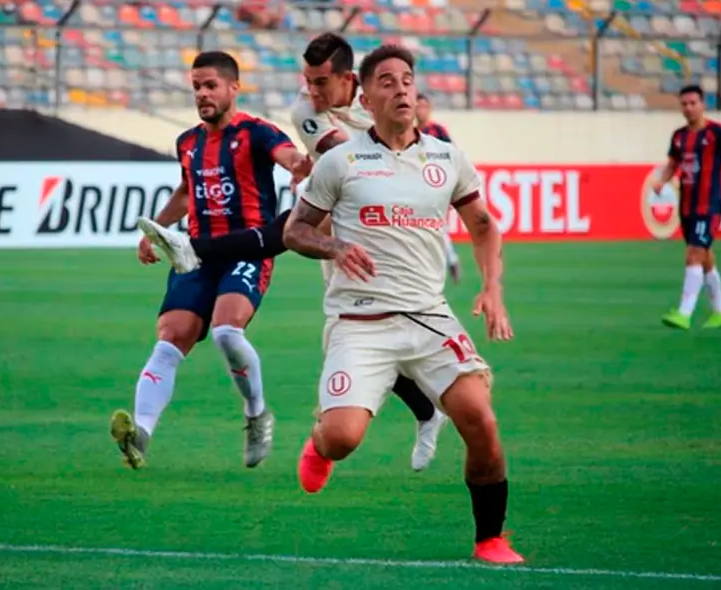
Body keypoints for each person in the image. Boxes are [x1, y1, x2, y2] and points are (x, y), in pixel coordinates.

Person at [138, 33, 449, 473]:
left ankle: (428, 410)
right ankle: (427, 411)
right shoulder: (305, 110)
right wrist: (302, 173)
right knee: (359, 325)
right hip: (342, 222)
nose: (312, 92)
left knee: (379, 324)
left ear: (349, 81)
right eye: (307, 80)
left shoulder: (380, 100)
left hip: (392, 227)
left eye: (321, 82)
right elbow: (342, 161)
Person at [282, 44, 524, 565]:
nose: (400, 89)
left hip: (428, 316)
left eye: (407, 79)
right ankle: (319, 439)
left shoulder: (446, 157)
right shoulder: (340, 161)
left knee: (480, 419)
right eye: (387, 82)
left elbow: (483, 225)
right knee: (344, 439)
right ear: (365, 99)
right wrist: (333, 246)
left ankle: (490, 539)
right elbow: (295, 230)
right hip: (360, 321)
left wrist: (492, 287)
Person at [110, 51, 311, 470]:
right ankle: (141, 434)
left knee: (225, 330)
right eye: (196, 87)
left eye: (210, 86)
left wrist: (300, 166)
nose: (202, 94)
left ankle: (257, 414)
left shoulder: (257, 133)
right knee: (170, 336)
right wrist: (157, 230)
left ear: (233, 88)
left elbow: (288, 157)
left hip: (247, 251)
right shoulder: (188, 141)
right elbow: (186, 191)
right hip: (195, 256)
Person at [652, 84, 721, 330]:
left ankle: (684, 313)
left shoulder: (718, 132)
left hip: (708, 205)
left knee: (693, 254)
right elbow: (673, 164)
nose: (688, 108)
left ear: (702, 105)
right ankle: (720, 311)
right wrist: (662, 181)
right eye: (684, 104)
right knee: (706, 258)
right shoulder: (679, 136)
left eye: (693, 103)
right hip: (686, 207)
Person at [415, 93, 461, 283]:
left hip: (435, 185)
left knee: (436, 224)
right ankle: (443, 261)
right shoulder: (410, 131)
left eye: (424, 106)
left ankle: (448, 260)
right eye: (418, 106)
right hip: (416, 186)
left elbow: (453, 156)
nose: (421, 110)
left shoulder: (437, 131)